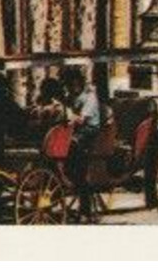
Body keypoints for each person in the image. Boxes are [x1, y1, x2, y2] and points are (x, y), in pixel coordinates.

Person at [62, 67, 105, 219]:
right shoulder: (71, 97)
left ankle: (77, 172)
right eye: (68, 85)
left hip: (89, 131)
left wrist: (68, 115)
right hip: (75, 130)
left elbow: (82, 119)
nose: (70, 87)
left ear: (79, 82)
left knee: (72, 144)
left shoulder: (90, 97)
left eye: (72, 84)